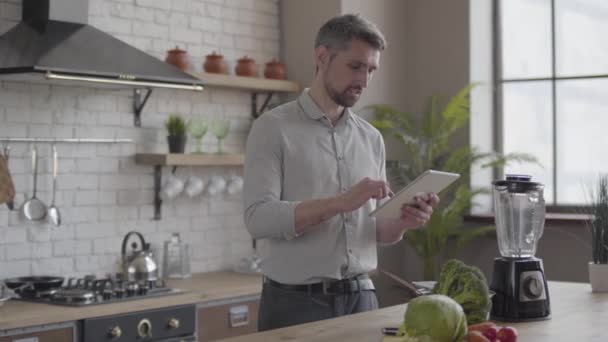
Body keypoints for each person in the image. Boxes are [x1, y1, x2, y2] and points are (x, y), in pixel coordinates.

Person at [243, 14, 440, 331]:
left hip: (363, 299)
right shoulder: (273, 128)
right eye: (355, 66)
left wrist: (403, 221)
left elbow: (374, 232)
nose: (364, 80)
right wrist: (341, 202)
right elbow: (258, 218)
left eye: (371, 70)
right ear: (322, 57)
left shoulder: (370, 138)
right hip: (295, 306)